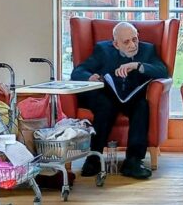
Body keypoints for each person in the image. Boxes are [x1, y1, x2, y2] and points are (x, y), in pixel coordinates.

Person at [70, 22, 168, 180]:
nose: (132, 45)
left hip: (132, 97)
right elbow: (79, 71)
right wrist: (90, 77)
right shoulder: (103, 50)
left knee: (142, 106)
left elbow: (163, 70)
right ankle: (94, 158)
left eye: (134, 39)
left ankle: (133, 161)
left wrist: (138, 65)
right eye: (126, 42)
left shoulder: (147, 50)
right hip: (107, 95)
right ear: (115, 44)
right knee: (105, 106)